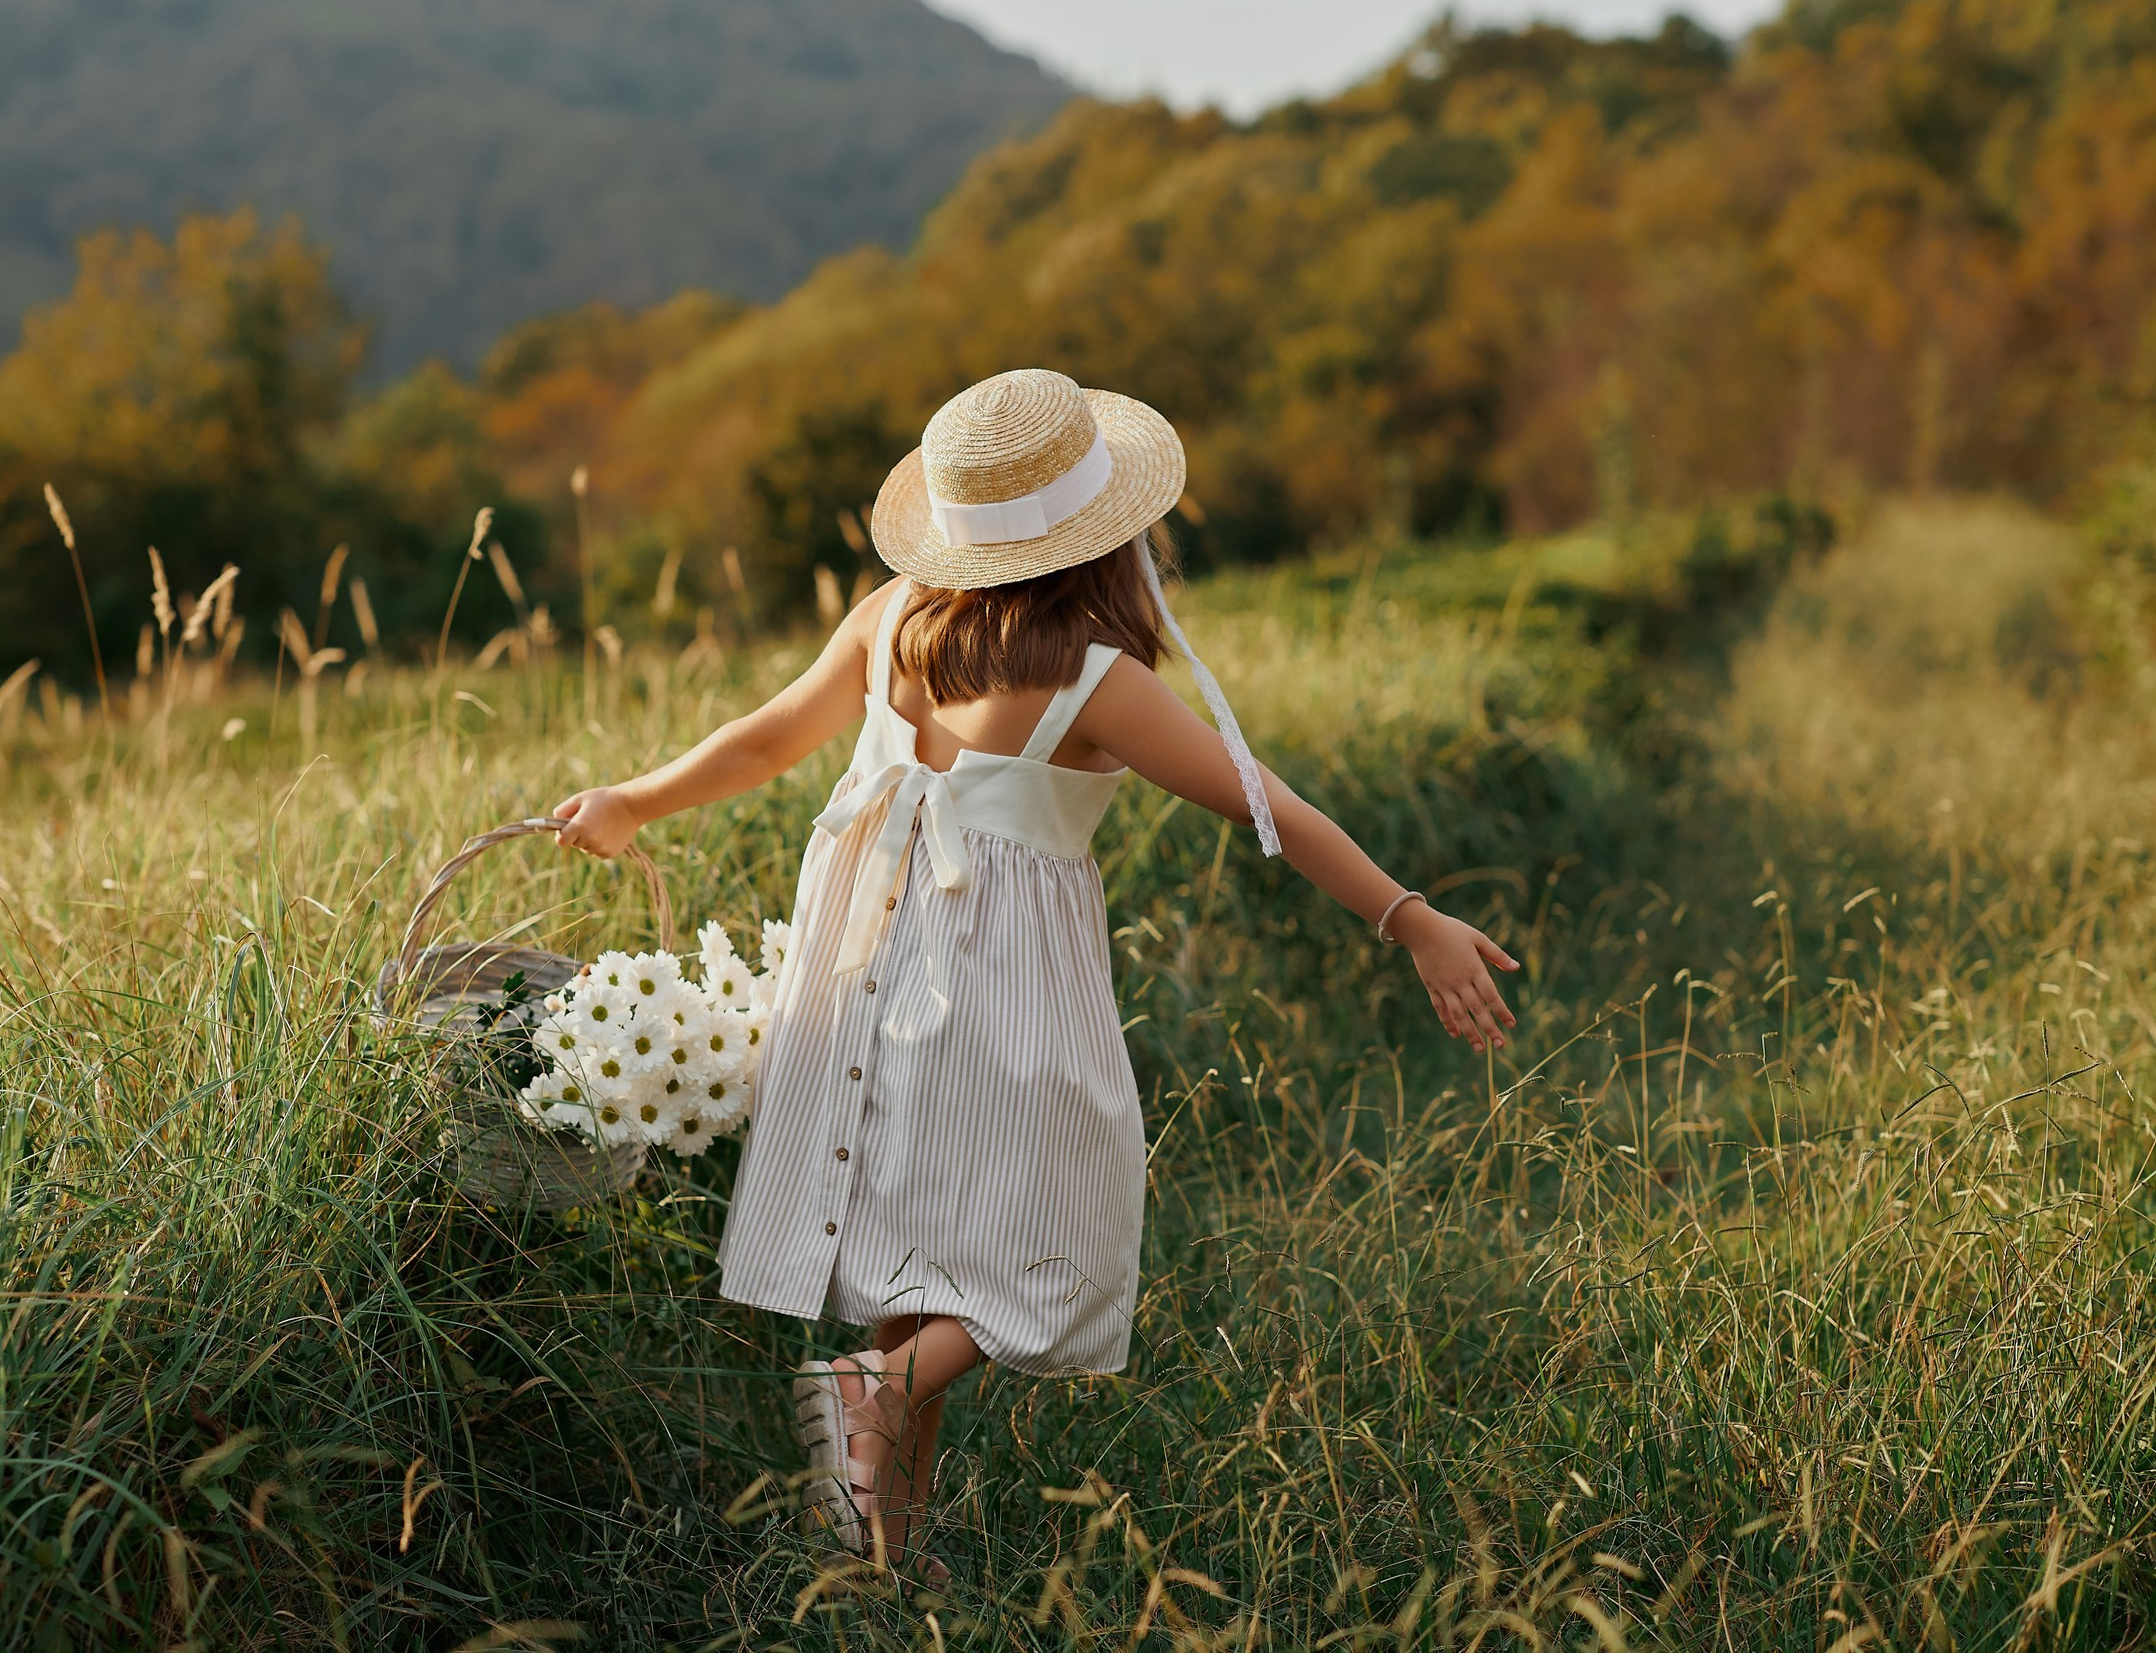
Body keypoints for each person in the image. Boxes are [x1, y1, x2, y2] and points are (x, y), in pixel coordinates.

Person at [551, 369, 1519, 1586]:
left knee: (917, 1264)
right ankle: (874, 1388)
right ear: (1103, 539)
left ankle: (876, 1558)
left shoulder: (890, 617)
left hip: (857, 970)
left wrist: (634, 799)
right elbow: (1263, 803)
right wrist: (1406, 914)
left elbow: (763, 739)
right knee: (1065, 1224)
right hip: (998, 988)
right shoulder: (1093, 681)